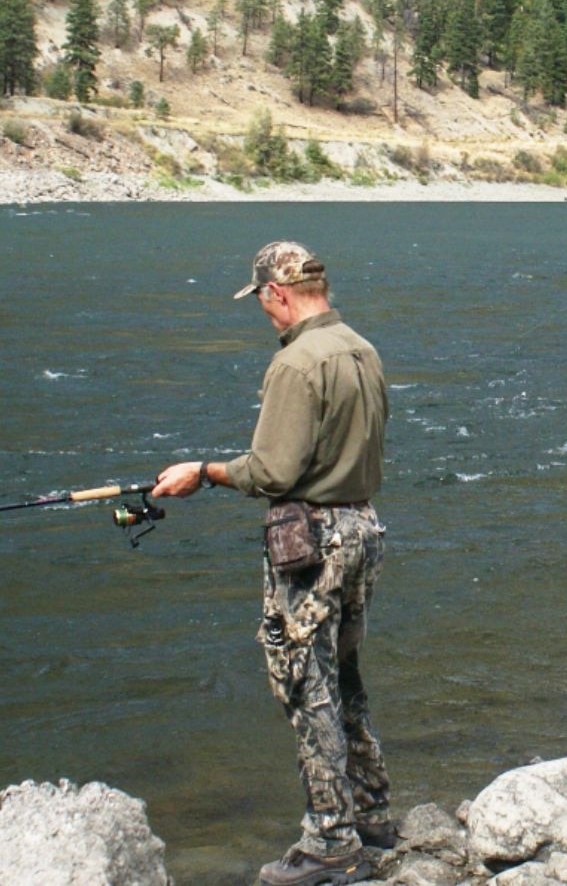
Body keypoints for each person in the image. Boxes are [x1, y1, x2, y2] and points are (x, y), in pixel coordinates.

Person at [152, 242, 392, 886]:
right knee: (343, 675)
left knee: (302, 683)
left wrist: (202, 472)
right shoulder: (360, 348)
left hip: (312, 544)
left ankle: (331, 842)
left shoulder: (296, 364)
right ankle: (371, 813)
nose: (262, 311)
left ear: (277, 294)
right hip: (363, 527)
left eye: (260, 300)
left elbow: (273, 471)